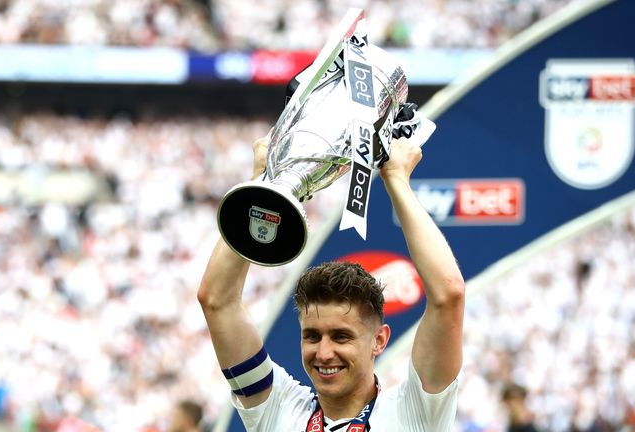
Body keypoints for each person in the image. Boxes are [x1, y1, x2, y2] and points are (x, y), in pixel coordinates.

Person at [198, 131, 465, 431]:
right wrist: (265, 186)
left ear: (379, 340)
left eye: (341, 336)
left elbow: (448, 295)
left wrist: (395, 179)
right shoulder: (276, 407)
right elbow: (217, 301)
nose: (323, 353)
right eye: (312, 336)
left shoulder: (416, 411)